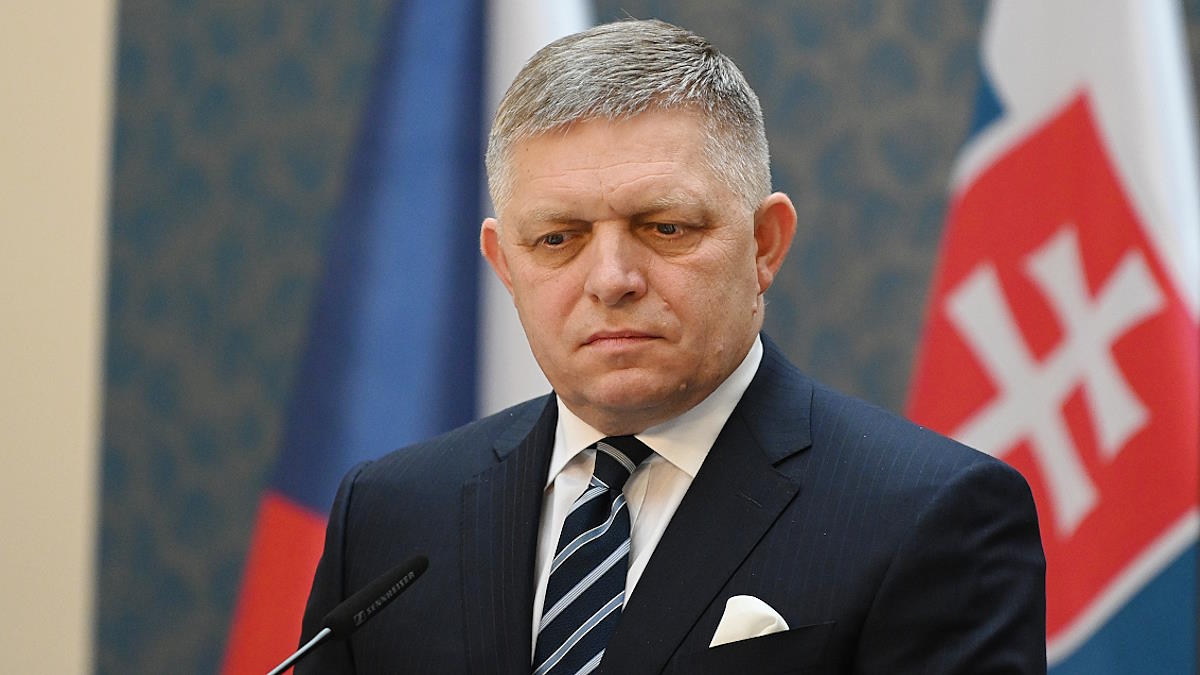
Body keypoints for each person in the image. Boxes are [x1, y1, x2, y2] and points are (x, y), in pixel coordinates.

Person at [299, 19, 1046, 674]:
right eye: (558, 239)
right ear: (504, 264)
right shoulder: (390, 516)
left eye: (665, 228)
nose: (611, 280)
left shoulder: (931, 514)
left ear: (765, 243)